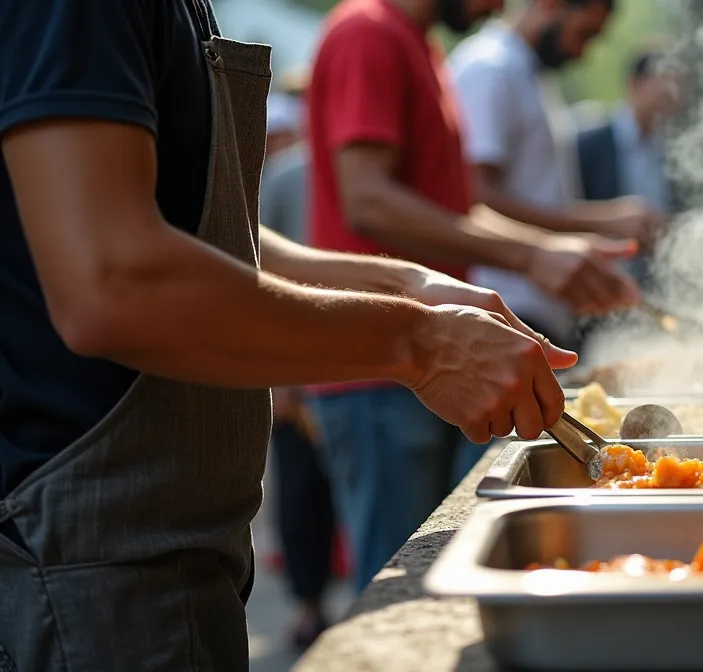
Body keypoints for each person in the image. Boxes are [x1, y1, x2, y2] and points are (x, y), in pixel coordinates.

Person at [0, 1, 573, 669]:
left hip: (163, 539)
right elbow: (113, 283)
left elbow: (204, 230)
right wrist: (421, 342)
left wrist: (409, 286)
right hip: (88, 555)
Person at [303, 0, 643, 595]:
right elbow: (368, 201)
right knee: (393, 588)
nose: (500, 6)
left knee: (424, 575)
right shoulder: (367, 32)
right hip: (375, 366)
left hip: (427, 360)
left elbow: (458, 207)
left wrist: (546, 248)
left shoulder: (425, 47)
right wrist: (530, 256)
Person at [449, 0, 668, 351]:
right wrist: (601, 221)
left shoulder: (525, 73)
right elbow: (475, 196)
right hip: (499, 312)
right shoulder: (491, 68)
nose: (582, 53)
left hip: (528, 313)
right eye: (584, 33)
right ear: (551, 4)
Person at [260, 76, 340, 649]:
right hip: (299, 359)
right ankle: (308, 605)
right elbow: (260, 270)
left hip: (356, 359)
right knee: (302, 493)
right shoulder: (287, 175)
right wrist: (280, 379)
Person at [576, 50, 681, 288]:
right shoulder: (589, 146)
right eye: (665, 82)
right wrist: (611, 218)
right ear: (636, 84)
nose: (673, 94)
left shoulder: (672, 152)